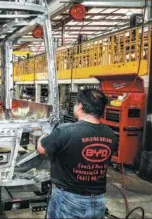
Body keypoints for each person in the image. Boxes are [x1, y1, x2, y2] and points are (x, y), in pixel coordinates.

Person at [37, 88, 116, 219]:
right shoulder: (111, 135)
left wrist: (44, 133)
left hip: (69, 199)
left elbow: (41, 148)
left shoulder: (65, 131)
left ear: (80, 106)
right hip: (98, 201)